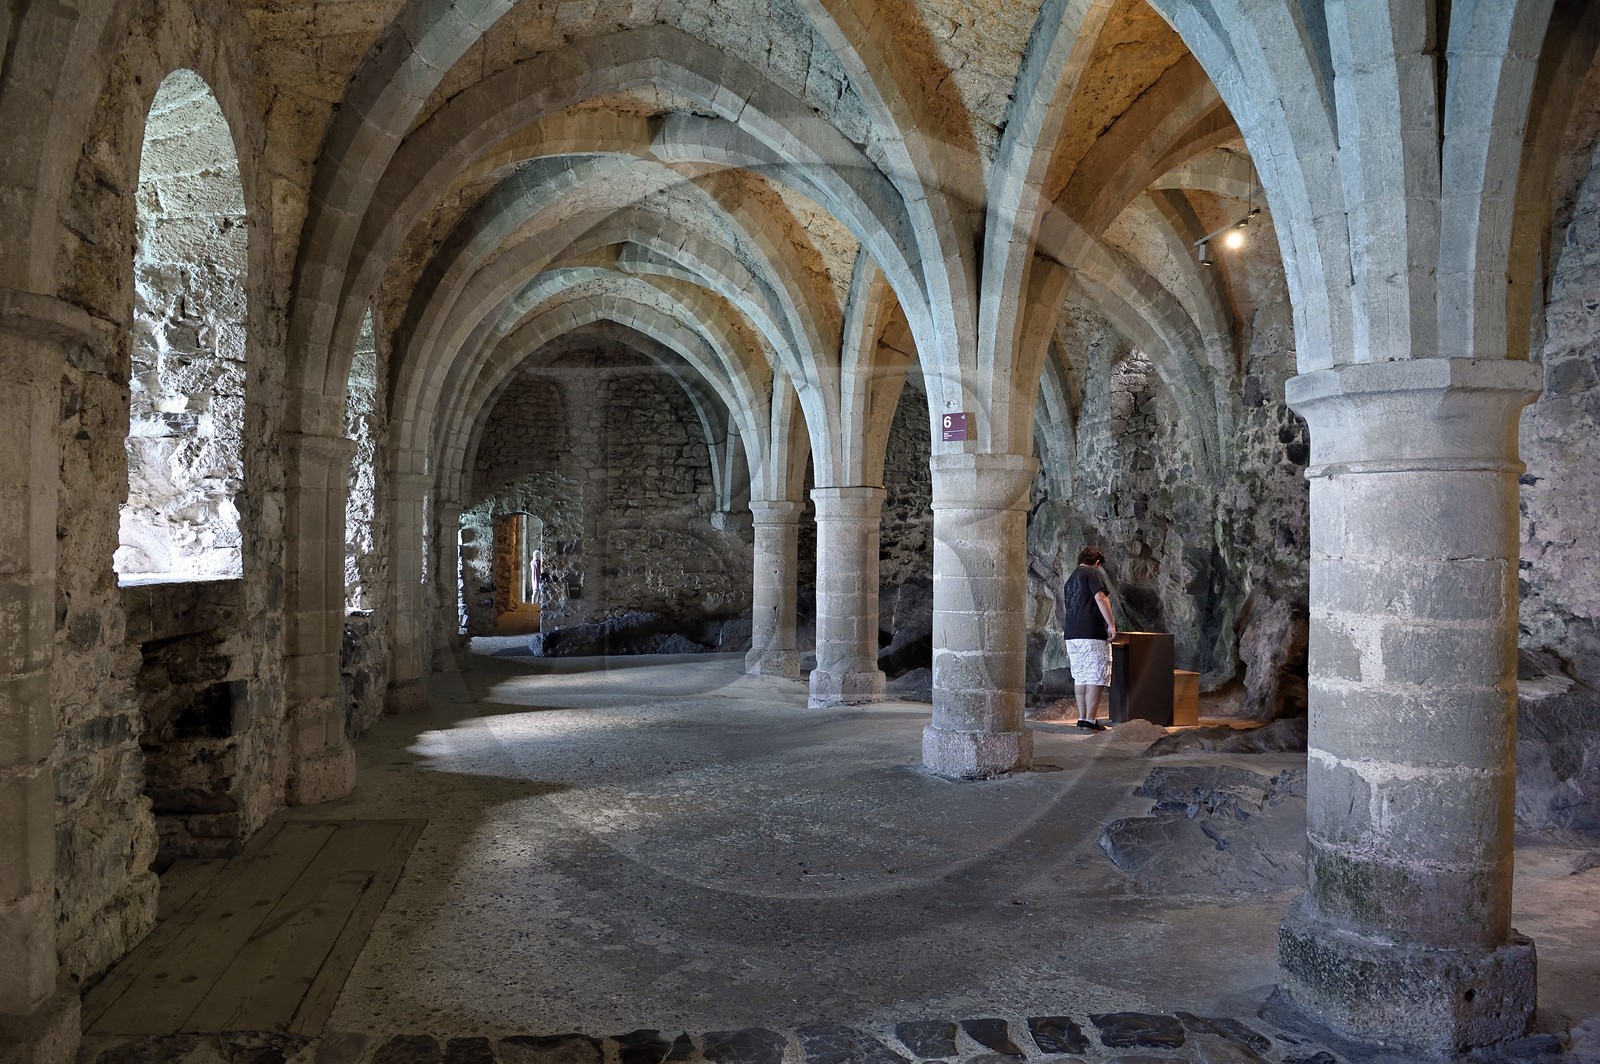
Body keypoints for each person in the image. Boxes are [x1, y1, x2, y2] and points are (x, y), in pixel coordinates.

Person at [1060, 545, 1116, 731]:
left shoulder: (1070, 579)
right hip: (1091, 633)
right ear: (1097, 562)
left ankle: (1083, 718)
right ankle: (1091, 720)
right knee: (1096, 675)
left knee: (1081, 677)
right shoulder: (1092, 573)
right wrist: (1111, 624)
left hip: (1072, 633)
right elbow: (1100, 598)